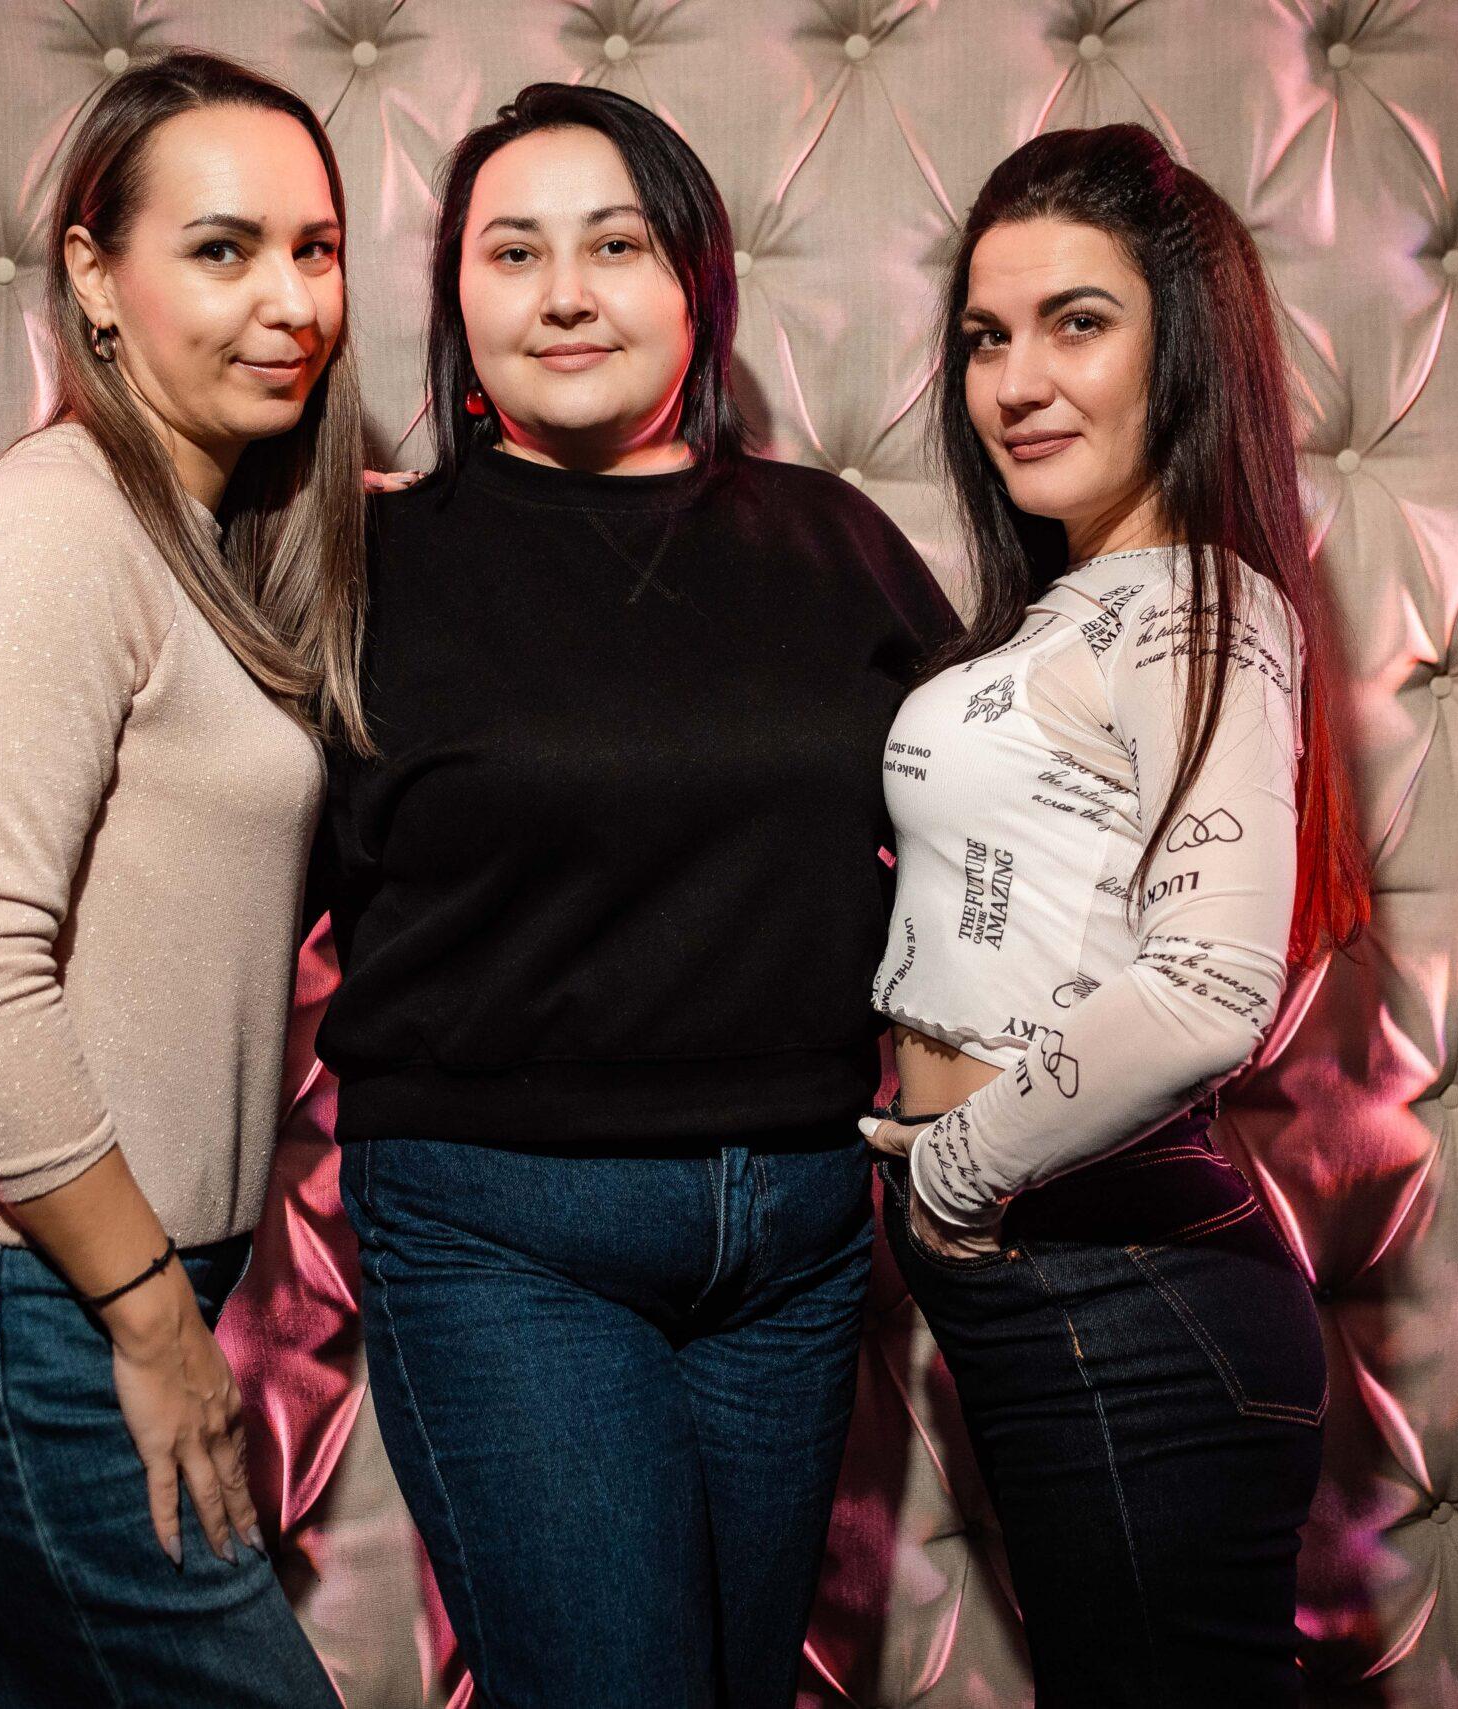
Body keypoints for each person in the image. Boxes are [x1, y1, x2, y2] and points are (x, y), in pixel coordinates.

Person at [315, 85, 958, 1707]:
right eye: (512, 252)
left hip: (798, 1235)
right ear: (456, 300)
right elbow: (195, 816)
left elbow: (1007, 827)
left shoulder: (836, 541)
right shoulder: (363, 569)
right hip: (499, 1226)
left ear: (695, 283)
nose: (565, 294)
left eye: (615, 245)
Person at [0, 50, 363, 1708]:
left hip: (68, 1288)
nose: (289, 301)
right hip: (19, 1296)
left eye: (316, 249)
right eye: (223, 249)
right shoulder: (63, 528)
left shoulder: (215, 539)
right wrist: (151, 1317)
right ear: (95, 278)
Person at [858, 124, 1373, 1707]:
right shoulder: (1080, 607)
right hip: (1064, 1275)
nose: (1017, 382)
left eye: (1076, 324)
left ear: (1182, 349)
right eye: (986, 337)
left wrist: (951, 1172)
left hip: (1126, 1278)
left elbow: (1211, 985)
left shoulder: (1203, 603)